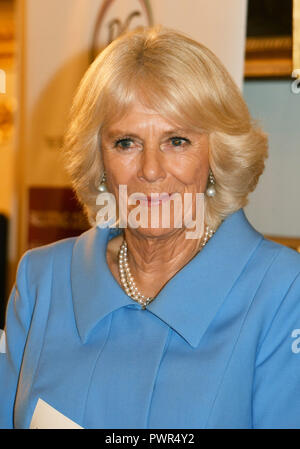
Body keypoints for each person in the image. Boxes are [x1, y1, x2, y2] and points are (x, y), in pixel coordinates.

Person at [1, 25, 300, 429]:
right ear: (100, 161)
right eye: (126, 142)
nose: (151, 170)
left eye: (177, 140)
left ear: (217, 155)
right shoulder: (42, 281)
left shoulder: (281, 293)